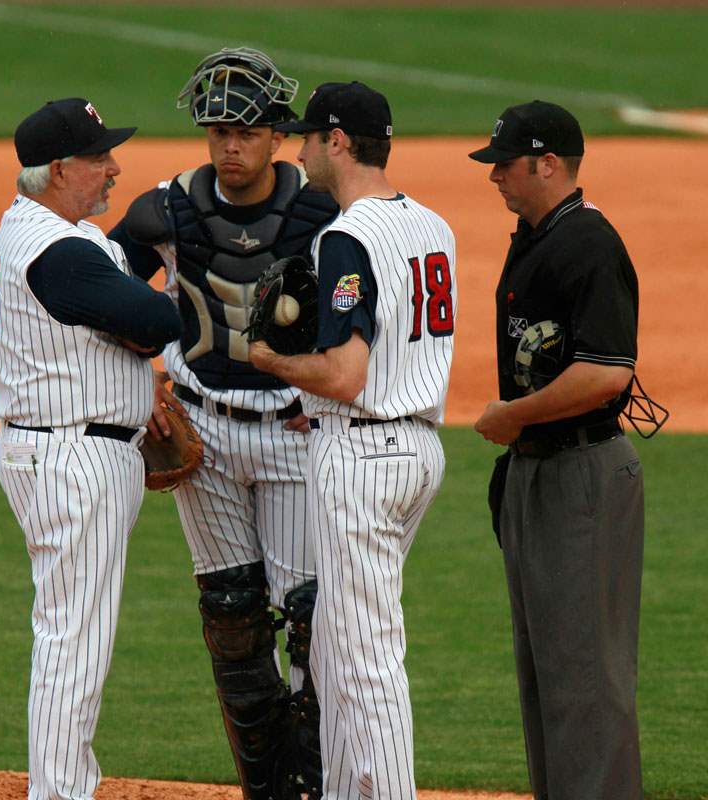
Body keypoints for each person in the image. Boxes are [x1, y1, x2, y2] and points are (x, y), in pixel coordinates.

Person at [108, 48, 338, 799]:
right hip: (204, 435)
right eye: (217, 131)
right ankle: (266, 790)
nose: (229, 147)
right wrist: (138, 385)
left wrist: (331, 399)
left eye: (244, 132)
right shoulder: (164, 210)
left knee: (309, 621)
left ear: (276, 133)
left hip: (293, 434)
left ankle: (317, 784)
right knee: (233, 619)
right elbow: (102, 293)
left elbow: (368, 315)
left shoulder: (323, 213)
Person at [250, 81, 456, 800]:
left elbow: (344, 374)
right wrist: (318, 399)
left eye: (310, 137)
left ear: (339, 142)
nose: (300, 149)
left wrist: (273, 364)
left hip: (364, 458)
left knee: (366, 659)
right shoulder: (432, 225)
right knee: (338, 645)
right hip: (415, 447)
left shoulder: (347, 236)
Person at [0, 97, 181, 800]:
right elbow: (155, 318)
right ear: (61, 168)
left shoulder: (51, 230)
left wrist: (131, 241)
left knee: (72, 634)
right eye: (100, 158)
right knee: (74, 640)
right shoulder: (57, 249)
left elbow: (113, 289)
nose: (114, 167)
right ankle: (60, 793)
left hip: (63, 451)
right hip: (72, 460)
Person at [469, 100, 644, 800]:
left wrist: (515, 416)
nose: (495, 178)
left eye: (506, 165)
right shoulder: (537, 235)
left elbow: (608, 371)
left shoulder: (589, 244)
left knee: (587, 683)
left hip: (582, 474)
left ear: (548, 163)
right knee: (544, 674)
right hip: (538, 472)